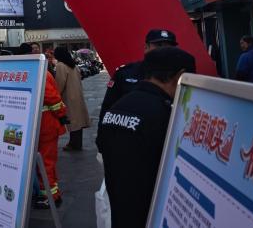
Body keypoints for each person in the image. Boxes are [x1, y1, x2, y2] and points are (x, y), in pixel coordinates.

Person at [98, 47, 196, 228]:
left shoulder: (117, 107)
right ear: (180, 76)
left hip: (120, 212)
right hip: (152, 215)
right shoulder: (167, 114)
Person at [98, 29, 178, 132]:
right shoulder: (125, 73)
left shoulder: (178, 77)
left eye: (169, 47)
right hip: (129, 133)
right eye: (159, 45)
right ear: (146, 47)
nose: (164, 51)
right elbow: (107, 109)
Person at [18, 43, 66, 209]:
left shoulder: (34, 72)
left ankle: (51, 197)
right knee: (45, 163)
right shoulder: (39, 71)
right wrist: (62, 114)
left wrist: (61, 114)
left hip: (44, 126)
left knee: (45, 163)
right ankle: (49, 194)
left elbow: (52, 98)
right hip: (44, 125)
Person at [54, 47, 90, 151]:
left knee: (73, 121)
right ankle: (77, 143)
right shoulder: (74, 65)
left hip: (69, 96)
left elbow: (60, 83)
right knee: (78, 120)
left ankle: (74, 144)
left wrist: (56, 94)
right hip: (77, 95)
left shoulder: (61, 65)